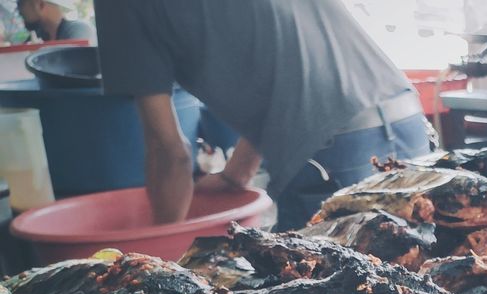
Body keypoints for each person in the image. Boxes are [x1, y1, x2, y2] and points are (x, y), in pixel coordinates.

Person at [94, 0, 437, 229]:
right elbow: (285, 63)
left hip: (334, 150)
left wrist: (155, 259)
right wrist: (235, 175)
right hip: (407, 121)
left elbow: (168, 152)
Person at [17, 0, 94, 42]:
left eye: (21, 4)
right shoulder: (38, 38)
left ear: (41, 5)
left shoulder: (78, 30)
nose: (19, 12)